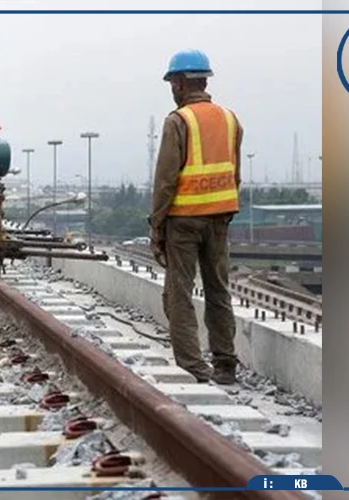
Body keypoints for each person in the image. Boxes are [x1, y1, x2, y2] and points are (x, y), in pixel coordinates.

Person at [149, 49, 244, 385]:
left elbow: (166, 180)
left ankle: (193, 367)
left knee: (179, 292)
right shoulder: (231, 119)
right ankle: (225, 364)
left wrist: (156, 224)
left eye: (172, 82)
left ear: (178, 83)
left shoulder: (178, 122)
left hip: (184, 219)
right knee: (218, 289)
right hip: (220, 217)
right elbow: (235, 174)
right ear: (205, 80)